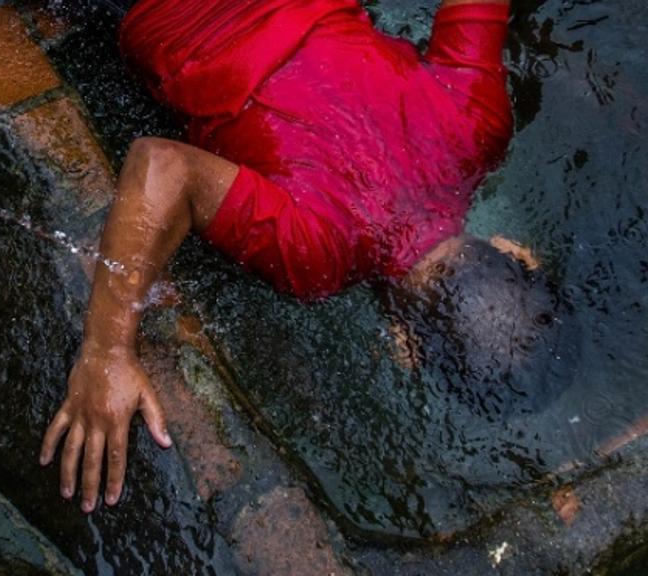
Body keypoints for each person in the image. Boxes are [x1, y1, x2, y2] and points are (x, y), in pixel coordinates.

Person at [39, 0, 552, 514]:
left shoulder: (480, 123)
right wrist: (106, 348)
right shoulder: (320, 253)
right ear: (404, 347)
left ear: (518, 252)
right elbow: (161, 165)